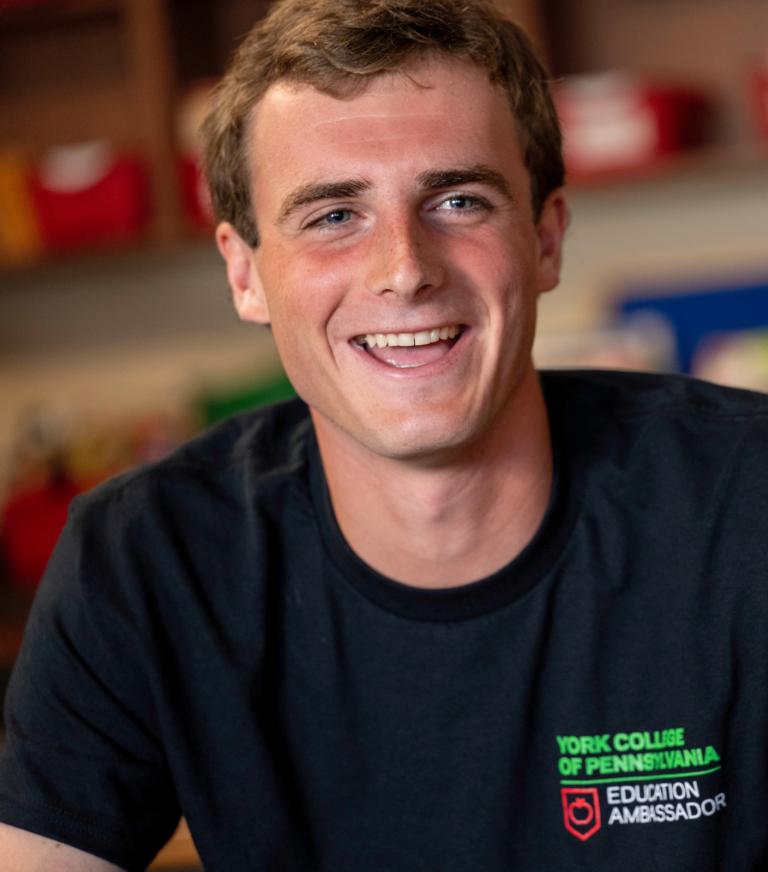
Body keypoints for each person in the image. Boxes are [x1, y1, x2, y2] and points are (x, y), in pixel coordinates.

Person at [1, 0, 767, 869]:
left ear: (546, 238)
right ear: (246, 273)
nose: (404, 269)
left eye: (458, 199)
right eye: (333, 215)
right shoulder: (144, 559)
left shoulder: (748, 502)